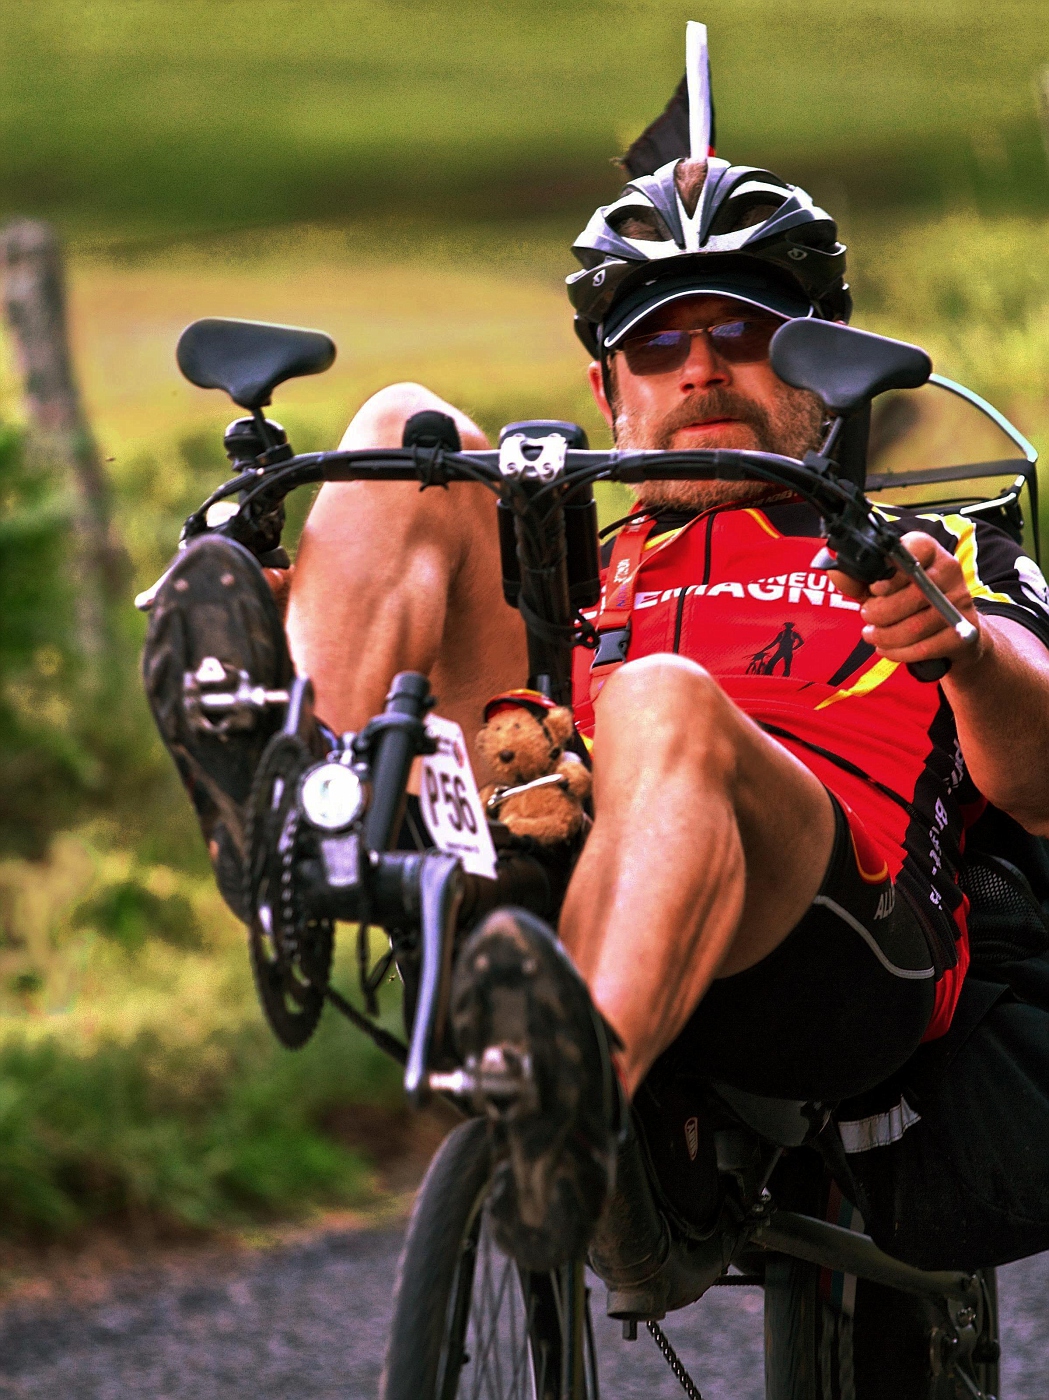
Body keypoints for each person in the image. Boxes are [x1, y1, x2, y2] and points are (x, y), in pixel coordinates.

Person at [142, 149, 1049, 1274]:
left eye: (749, 333)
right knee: (407, 426)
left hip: (833, 950)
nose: (702, 369)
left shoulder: (931, 553)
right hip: (555, 847)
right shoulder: (578, 567)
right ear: (608, 392)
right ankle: (300, 804)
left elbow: (1037, 771)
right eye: (659, 345)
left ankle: (574, 1099)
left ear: (825, 363)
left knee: (659, 702)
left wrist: (959, 647)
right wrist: (311, 599)